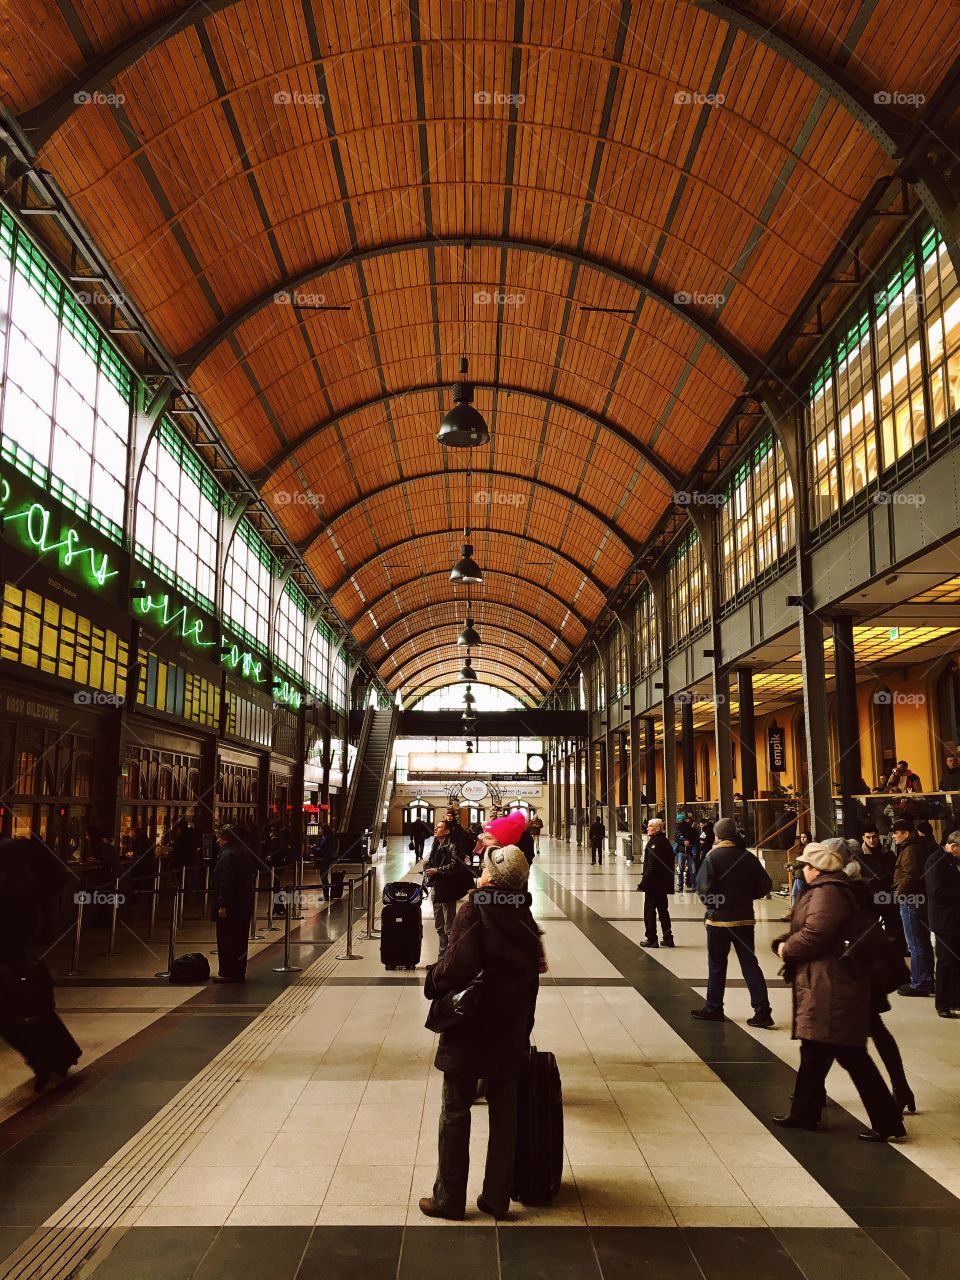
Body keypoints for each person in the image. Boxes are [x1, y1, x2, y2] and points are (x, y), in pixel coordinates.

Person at [419, 843, 542, 1221]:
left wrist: (432, 980)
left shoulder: (475, 908)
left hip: (471, 1024)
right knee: (505, 1109)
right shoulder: (524, 914)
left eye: (486, 867)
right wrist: (524, 1025)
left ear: (493, 876)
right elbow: (532, 975)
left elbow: (459, 965)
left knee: (456, 1106)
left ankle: (449, 1198)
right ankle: (496, 1197)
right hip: (509, 1022)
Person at [773, 842, 905, 1142]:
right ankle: (804, 1114)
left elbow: (816, 933)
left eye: (805, 866)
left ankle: (887, 1122)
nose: (801, 870)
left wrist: (787, 948)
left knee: (851, 1056)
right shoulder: (830, 889)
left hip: (831, 985)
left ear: (815, 869)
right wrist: (786, 939)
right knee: (814, 1052)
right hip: (826, 982)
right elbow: (811, 927)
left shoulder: (827, 892)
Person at [837, 847, 914, 1113]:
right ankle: (901, 1087)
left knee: (830, 1036)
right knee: (876, 1030)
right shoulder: (864, 887)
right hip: (870, 967)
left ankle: (812, 1091)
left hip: (858, 970)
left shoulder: (846, 892)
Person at [691, 816, 774, 1028]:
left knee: (717, 965)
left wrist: (714, 905)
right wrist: (746, 897)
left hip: (719, 922)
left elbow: (702, 889)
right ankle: (762, 1010)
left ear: (718, 835)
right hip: (745, 920)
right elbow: (765, 884)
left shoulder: (713, 857)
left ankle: (714, 1007)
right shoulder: (748, 857)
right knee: (750, 964)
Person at [891, 818, 935, 996]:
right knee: (921, 941)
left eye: (896, 832)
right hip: (918, 898)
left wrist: (899, 894)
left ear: (906, 833)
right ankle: (926, 979)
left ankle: (919, 983)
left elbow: (910, 875)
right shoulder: (918, 846)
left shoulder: (910, 849)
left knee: (915, 943)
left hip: (911, 900)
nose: (893, 836)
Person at [924, 830, 960, 1019]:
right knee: (946, 963)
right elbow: (938, 893)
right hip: (944, 921)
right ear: (954, 847)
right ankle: (943, 1004)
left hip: (954, 920)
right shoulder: (935, 861)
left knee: (955, 962)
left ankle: (955, 999)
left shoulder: (951, 861)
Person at [213, 825, 255, 983]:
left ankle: (228, 972)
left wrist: (223, 904)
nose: (217, 840)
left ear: (227, 838)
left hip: (232, 905)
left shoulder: (227, 854)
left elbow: (226, 881)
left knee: (227, 939)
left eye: (220, 837)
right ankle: (239, 971)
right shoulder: (243, 851)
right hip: (244, 904)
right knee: (240, 939)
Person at [425, 821, 468, 960]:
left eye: (439, 827)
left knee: (449, 926)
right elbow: (434, 862)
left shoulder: (454, 846)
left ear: (447, 831)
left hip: (448, 889)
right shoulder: (436, 845)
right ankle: (441, 957)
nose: (436, 829)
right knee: (439, 925)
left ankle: (451, 957)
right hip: (436, 888)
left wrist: (436, 871)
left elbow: (456, 866)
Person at [636, 818, 675, 948]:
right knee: (663, 911)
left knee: (649, 911)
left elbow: (653, 866)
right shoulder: (663, 841)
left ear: (657, 828)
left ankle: (651, 938)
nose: (647, 828)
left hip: (655, 884)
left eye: (650, 826)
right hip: (662, 884)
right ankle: (668, 938)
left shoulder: (656, 843)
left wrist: (644, 883)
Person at [785, 830, 813, 918]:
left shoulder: (809, 847)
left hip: (803, 875)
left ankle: (801, 913)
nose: (802, 839)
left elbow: (803, 862)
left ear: (808, 837)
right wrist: (791, 864)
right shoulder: (801, 848)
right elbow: (798, 861)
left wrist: (793, 866)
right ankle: (793, 913)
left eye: (804, 837)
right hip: (798, 875)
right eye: (801, 837)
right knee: (794, 894)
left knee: (801, 894)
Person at [312, 823, 335, 901]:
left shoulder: (326, 838)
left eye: (320, 829)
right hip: (326, 859)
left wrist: (314, 848)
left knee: (323, 877)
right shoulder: (328, 837)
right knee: (324, 877)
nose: (319, 830)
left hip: (324, 860)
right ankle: (326, 895)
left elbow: (321, 849)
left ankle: (326, 895)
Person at [674, 813, 697, 891]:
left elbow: (696, 840)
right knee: (682, 870)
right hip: (682, 852)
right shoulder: (678, 830)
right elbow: (676, 839)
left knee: (691, 870)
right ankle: (681, 886)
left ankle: (693, 886)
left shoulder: (692, 831)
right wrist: (684, 842)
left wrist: (689, 842)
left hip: (689, 852)